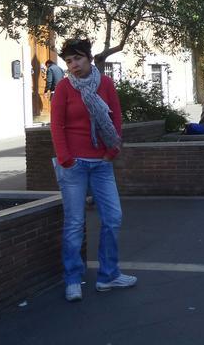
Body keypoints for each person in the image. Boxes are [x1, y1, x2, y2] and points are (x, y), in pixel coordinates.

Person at [49, 39, 135, 302]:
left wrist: (112, 151)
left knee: (113, 218)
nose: (73, 65)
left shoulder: (105, 85)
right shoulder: (64, 88)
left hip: (101, 164)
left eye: (77, 59)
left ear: (88, 58)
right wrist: (66, 159)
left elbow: (115, 119)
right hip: (73, 165)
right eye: (69, 61)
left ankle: (108, 275)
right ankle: (73, 279)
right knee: (74, 223)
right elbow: (57, 125)